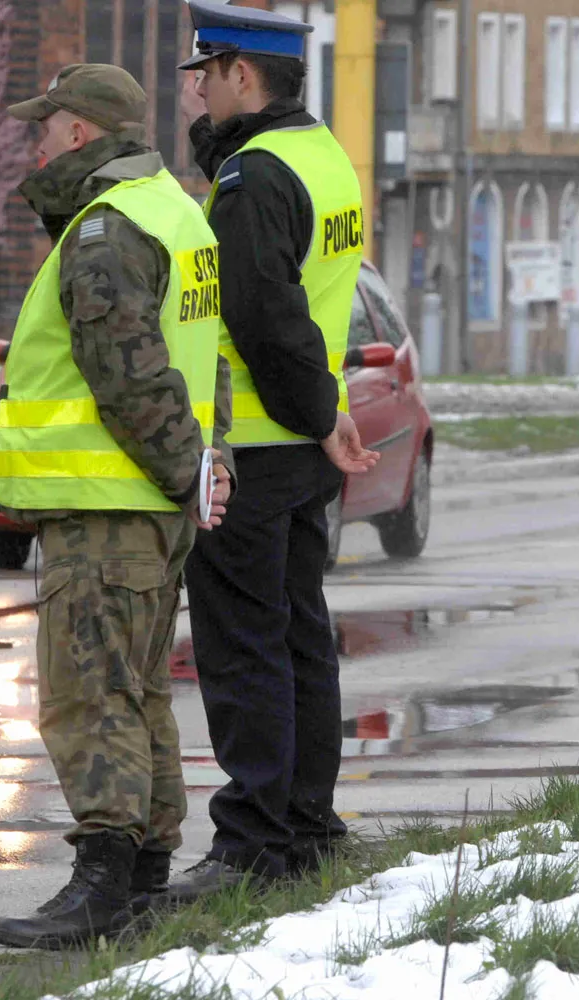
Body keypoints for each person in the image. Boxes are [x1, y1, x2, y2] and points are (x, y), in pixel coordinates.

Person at [0, 62, 234, 948]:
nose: (36, 141)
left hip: (111, 507)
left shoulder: (106, 231)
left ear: (81, 133)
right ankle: (140, 878)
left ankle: (102, 883)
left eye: (44, 126)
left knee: (88, 695)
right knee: (135, 695)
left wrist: (180, 469)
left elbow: (131, 378)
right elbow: (207, 359)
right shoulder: (176, 212)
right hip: (153, 505)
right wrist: (207, 465)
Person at [170, 0, 378, 898]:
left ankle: (253, 842)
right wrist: (324, 414)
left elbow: (262, 318)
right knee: (300, 639)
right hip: (299, 446)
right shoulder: (326, 157)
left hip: (253, 446)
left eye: (204, 75)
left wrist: (316, 409)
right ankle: (306, 824)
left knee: (244, 645)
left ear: (240, 75)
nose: (197, 95)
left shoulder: (253, 179)